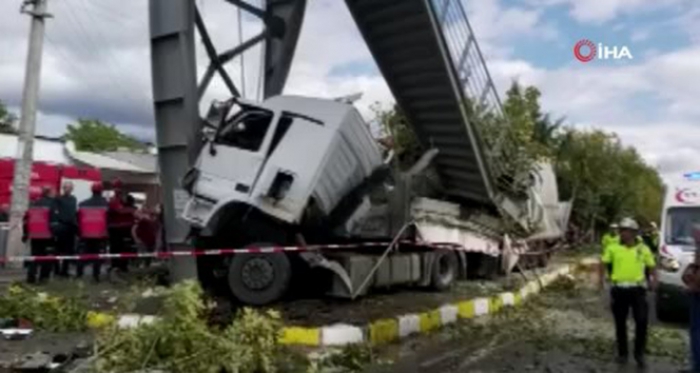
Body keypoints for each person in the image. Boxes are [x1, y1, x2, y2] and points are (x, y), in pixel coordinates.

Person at [599, 217, 657, 368]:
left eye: (625, 230)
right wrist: (600, 280)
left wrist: (653, 280)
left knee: (642, 321)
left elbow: (651, 265)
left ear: (633, 232)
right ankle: (623, 354)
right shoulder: (613, 247)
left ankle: (639, 354)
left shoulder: (643, 249)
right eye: (621, 230)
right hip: (619, 290)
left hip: (638, 290)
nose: (622, 233)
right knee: (620, 323)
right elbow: (603, 263)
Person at [22, 186, 58, 284]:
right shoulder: (52, 204)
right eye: (54, 191)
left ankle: (31, 277)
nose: (55, 193)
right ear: (49, 193)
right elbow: (53, 221)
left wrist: (25, 234)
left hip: (34, 234)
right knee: (47, 257)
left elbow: (26, 220)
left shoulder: (34, 204)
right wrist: (55, 234)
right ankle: (43, 278)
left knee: (34, 256)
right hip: (47, 235)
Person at [76, 182, 109, 282]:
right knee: (97, 255)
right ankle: (96, 276)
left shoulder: (82, 204)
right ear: (101, 191)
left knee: (83, 254)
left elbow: (77, 218)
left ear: (92, 190)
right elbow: (108, 219)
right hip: (100, 234)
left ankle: (79, 273)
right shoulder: (105, 204)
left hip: (85, 233)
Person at [107, 179, 136, 273]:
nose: (119, 190)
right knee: (116, 248)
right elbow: (120, 211)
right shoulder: (114, 201)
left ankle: (123, 265)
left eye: (120, 188)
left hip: (124, 228)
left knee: (124, 247)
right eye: (117, 188)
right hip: (117, 228)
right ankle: (116, 265)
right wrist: (132, 210)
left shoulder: (122, 200)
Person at [54, 181, 78, 277]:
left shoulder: (73, 199)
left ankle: (64, 270)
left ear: (72, 189)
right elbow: (56, 212)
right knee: (58, 249)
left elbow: (73, 212)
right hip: (61, 225)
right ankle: (56, 269)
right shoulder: (58, 198)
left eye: (69, 187)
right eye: (65, 187)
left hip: (70, 226)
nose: (67, 189)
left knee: (68, 250)